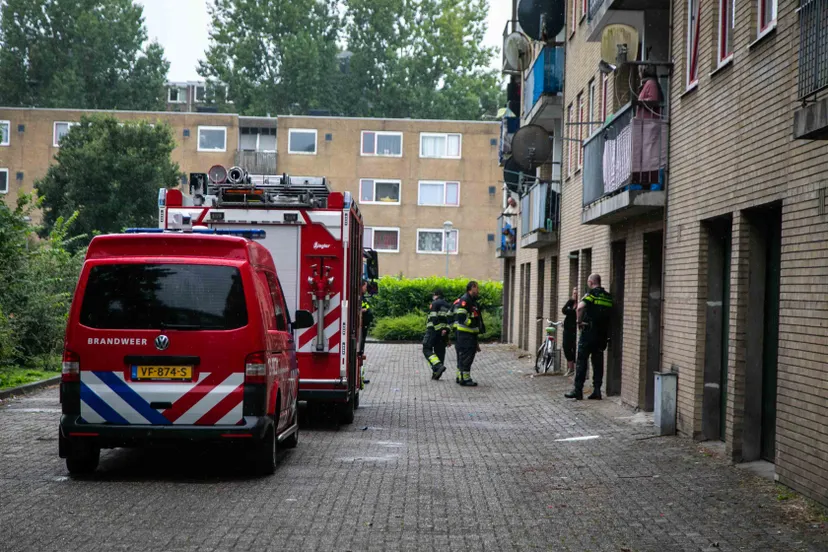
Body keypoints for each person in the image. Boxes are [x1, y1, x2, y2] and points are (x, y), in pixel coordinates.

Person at [565, 274, 613, 400]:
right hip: (602, 335)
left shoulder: (591, 295)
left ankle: (578, 390)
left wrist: (578, 322)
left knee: (582, 361)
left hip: (588, 333)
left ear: (591, 282)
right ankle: (597, 391)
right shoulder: (608, 297)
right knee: (598, 363)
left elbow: (580, 308)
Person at [452, 281, 485, 387]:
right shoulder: (465, 300)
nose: (478, 290)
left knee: (465, 356)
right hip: (466, 335)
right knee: (466, 357)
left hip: (470, 335)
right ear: (472, 288)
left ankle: (460, 376)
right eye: (477, 288)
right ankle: (465, 379)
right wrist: (471, 323)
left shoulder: (472, 301)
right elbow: (461, 317)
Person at [423, 289, 452, 380]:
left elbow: (433, 317)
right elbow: (450, 321)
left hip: (433, 330)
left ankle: (437, 366)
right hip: (443, 333)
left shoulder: (434, 303)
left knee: (426, 348)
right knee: (440, 352)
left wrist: (438, 329)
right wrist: (446, 333)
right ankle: (436, 373)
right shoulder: (448, 305)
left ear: (436, 295)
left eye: (433, 295)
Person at [561, 287, 578, 377]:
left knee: (575, 348)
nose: (575, 295)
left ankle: (575, 369)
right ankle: (570, 368)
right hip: (567, 329)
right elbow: (563, 310)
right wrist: (572, 311)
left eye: (576, 293)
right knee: (566, 347)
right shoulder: (570, 302)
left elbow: (577, 313)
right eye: (574, 293)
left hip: (575, 330)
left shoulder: (581, 303)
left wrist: (570, 311)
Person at [359, 280, 373, 386]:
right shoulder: (358, 297)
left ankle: (360, 377)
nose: (366, 288)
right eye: (365, 286)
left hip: (363, 329)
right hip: (360, 329)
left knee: (361, 353)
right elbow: (358, 309)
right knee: (359, 353)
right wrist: (362, 311)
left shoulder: (362, 297)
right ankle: (359, 378)